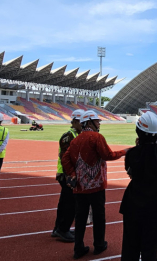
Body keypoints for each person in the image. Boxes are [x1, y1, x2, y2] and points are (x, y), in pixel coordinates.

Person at [62, 110, 127, 259]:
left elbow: (65, 159)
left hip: (80, 186)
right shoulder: (96, 137)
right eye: (97, 121)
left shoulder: (75, 140)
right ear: (90, 122)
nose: (99, 123)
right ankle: (99, 244)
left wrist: (73, 174)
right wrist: (124, 152)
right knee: (98, 216)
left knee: (80, 218)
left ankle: (78, 247)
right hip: (96, 186)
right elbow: (108, 155)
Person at [120, 112, 157, 261]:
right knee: (150, 248)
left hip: (133, 204)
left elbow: (131, 173)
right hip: (156, 204)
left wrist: (139, 147)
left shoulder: (132, 154)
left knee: (130, 247)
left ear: (138, 131)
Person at [51, 109, 84, 243]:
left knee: (64, 202)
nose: (83, 125)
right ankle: (63, 229)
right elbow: (66, 158)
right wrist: (71, 175)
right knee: (70, 203)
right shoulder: (68, 137)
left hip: (68, 174)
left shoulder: (77, 135)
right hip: (66, 174)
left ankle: (58, 228)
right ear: (75, 122)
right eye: (82, 123)